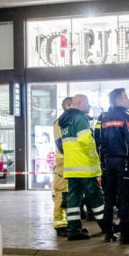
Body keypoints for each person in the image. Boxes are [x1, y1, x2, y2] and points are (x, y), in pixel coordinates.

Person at [56, 94, 106, 240]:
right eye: (87, 103)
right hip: (85, 167)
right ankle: (107, 226)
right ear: (79, 103)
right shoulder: (79, 118)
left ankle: (73, 230)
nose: (89, 106)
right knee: (97, 198)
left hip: (71, 168)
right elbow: (86, 141)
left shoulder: (64, 121)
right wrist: (94, 156)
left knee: (73, 201)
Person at [98, 88, 129, 244]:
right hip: (124, 163)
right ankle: (125, 233)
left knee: (108, 199)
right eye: (126, 98)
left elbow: (100, 142)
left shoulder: (104, 118)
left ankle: (108, 233)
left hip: (109, 163)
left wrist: (103, 163)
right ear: (118, 100)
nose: (128, 100)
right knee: (125, 198)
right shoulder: (126, 117)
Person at [52, 96, 73, 236]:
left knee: (69, 196)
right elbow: (61, 143)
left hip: (71, 164)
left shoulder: (72, 121)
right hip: (63, 166)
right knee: (62, 195)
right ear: (67, 105)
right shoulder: (60, 122)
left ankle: (69, 223)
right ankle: (60, 225)